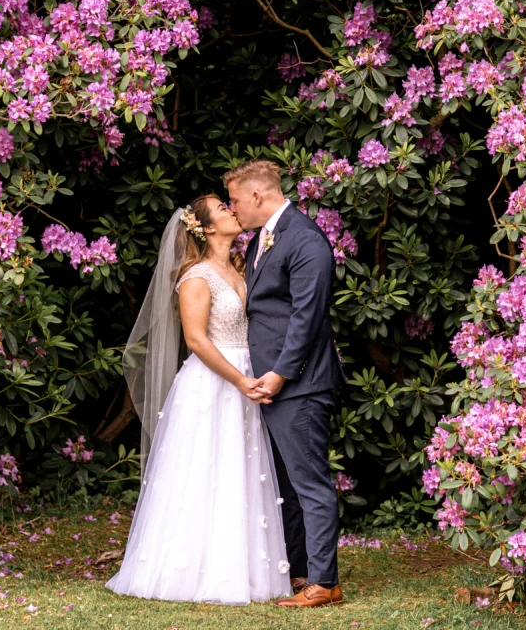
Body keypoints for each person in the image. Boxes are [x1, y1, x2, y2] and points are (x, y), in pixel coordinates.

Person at [106, 195, 290, 605]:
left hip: (248, 375)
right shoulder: (196, 276)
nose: (231, 210)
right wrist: (240, 380)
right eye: (222, 208)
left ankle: (242, 568)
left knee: (241, 470)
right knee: (205, 470)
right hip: (215, 381)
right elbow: (195, 339)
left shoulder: (243, 267)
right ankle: (189, 571)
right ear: (206, 228)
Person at [226, 159, 347, 608]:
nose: (233, 208)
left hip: (300, 383)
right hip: (273, 383)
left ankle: (325, 582)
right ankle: (301, 571)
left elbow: (306, 317)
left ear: (257, 196)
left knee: (310, 482)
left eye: (235, 200)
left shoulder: (306, 239)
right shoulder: (262, 237)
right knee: (287, 485)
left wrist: (279, 374)